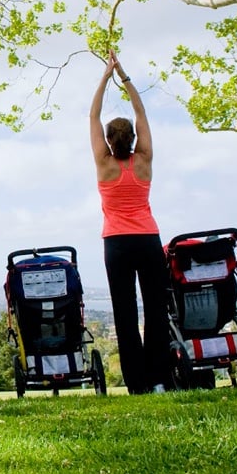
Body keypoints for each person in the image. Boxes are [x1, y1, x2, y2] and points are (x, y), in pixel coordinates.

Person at [89, 51, 170, 394]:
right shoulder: (145, 159)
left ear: (109, 140)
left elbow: (92, 114)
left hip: (117, 244)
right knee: (156, 311)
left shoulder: (104, 164)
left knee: (125, 314)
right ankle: (160, 381)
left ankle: (136, 385)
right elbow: (141, 112)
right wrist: (124, 75)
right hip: (148, 241)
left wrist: (105, 75)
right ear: (133, 138)